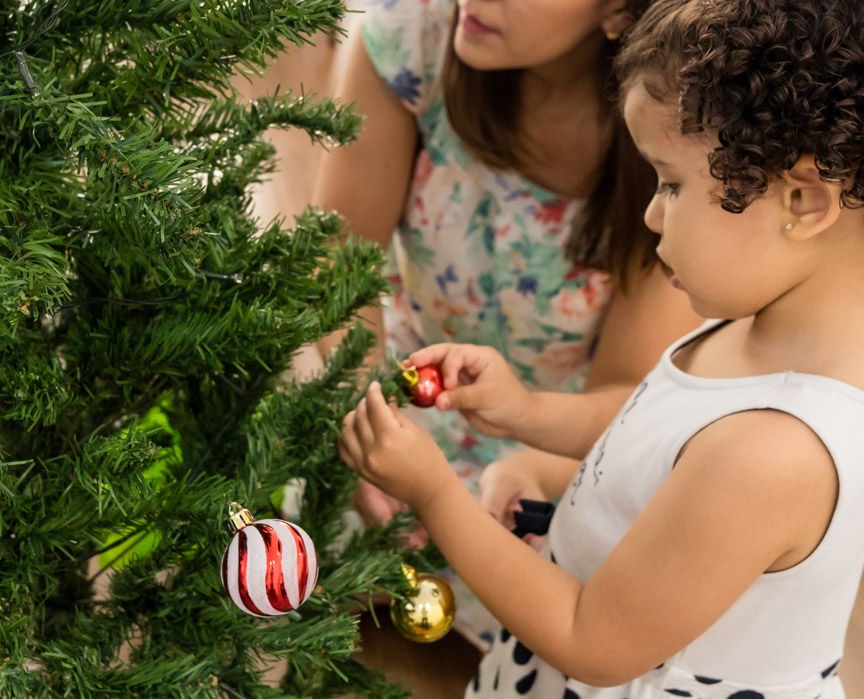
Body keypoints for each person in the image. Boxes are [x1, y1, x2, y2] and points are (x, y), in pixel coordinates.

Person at [340, 0, 864, 695]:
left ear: (803, 202)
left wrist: (434, 490)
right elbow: (653, 435)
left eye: (673, 185)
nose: (650, 213)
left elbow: (591, 638)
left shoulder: (775, 452)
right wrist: (525, 414)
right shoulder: (756, 325)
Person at [314, 0, 701, 674]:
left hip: (556, 456)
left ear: (619, 10)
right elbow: (335, 273)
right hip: (399, 390)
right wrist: (368, 413)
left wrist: (525, 461)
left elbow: (625, 403)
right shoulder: (412, 33)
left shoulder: (671, 135)